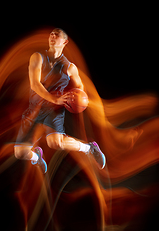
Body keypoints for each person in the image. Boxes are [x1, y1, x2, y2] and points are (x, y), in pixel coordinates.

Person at [14, 28, 105, 173]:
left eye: (57, 35)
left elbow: (80, 86)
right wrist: (54, 98)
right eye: (51, 34)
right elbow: (34, 84)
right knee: (20, 153)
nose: (52, 36)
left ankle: (89, 148)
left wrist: (78, 98)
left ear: (65, 41)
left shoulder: (69, 67)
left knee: (56, 143)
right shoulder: (37, 57)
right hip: (35, 107)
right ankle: (37, 157)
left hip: (54, 111)